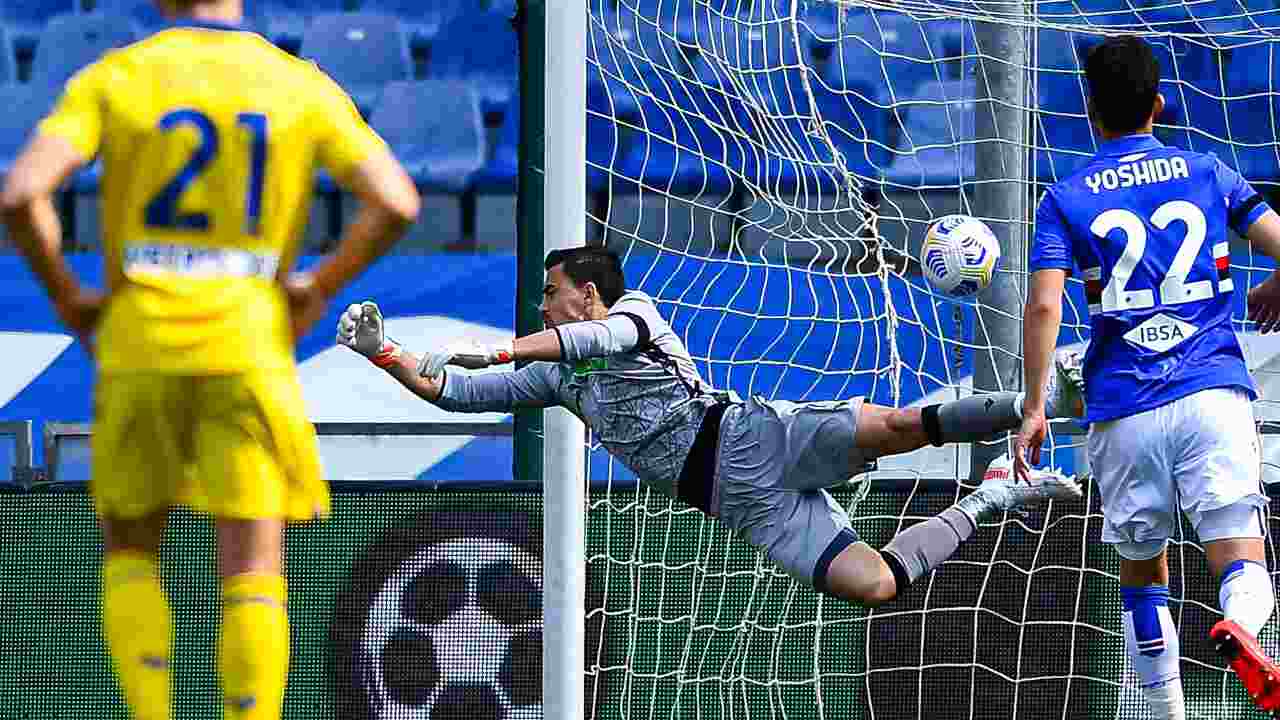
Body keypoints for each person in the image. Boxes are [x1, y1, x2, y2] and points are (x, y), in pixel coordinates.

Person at [0, 1, 420, 718]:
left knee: (132, 548)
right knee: (253, 563)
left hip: (139, 341)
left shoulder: (118, 76)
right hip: (248, 342)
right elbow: (397, 201)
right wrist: (318, 287)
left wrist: (69, 296)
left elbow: (22, 193)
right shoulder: (295, 83)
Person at [337, 245, 1081, 606]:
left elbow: (592, 342)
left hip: (750, 436)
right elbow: (451, 393)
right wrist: (385, 352)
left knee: (896, 427)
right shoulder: (555, 377)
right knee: (876, 584)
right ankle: (992, 494)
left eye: (550, 292)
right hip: (739, 505)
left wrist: (492, 345)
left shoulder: (635, 316)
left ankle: (1038, 401)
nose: (541, 304)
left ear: (587, 293)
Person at [1015, 34, 1280, 718]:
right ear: (1158, 104)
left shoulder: (1065, 198)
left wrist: (1036, 406)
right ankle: (1243, 628)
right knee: (1240, 556)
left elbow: (1044, 302)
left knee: (1141, 575)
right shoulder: (1208, 170)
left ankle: (1165, 712)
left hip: (1123, 406)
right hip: (1211, 394)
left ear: (1091, 110)